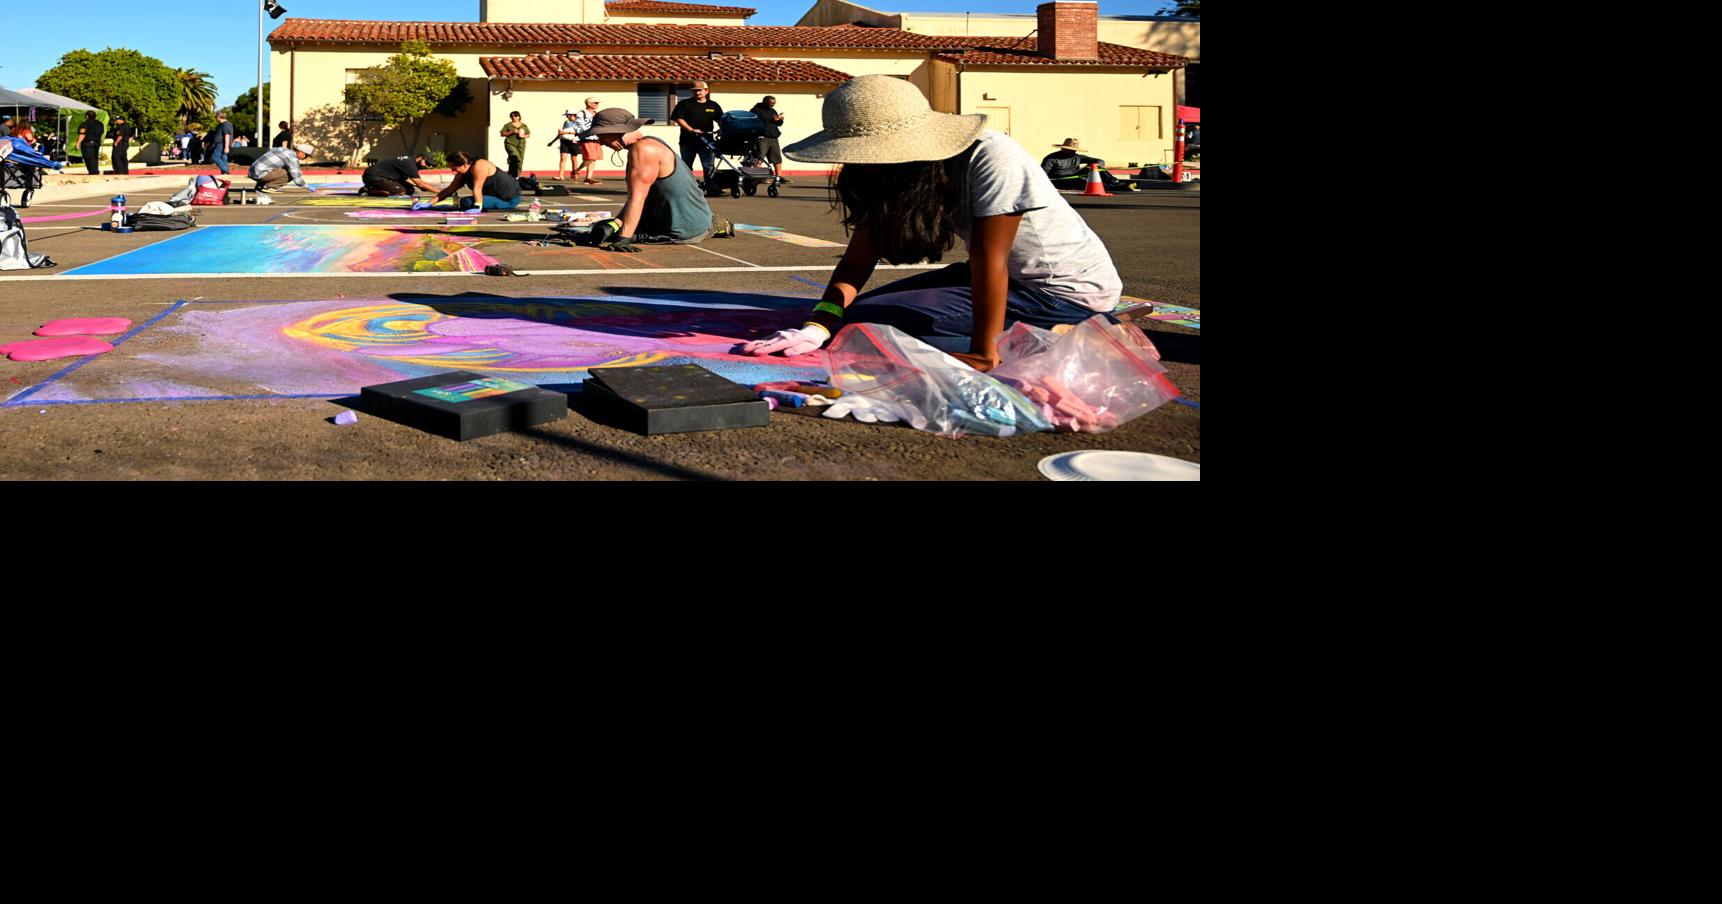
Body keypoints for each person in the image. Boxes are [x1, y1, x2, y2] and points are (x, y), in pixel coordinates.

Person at [742, 75, 1122, 372]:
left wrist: (983, 353)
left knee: (871, 330)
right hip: (1004, 278)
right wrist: (820, 324)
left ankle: (1066, 335)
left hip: (1062, 292)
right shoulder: (890, 173)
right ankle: (1038, 333)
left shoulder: (991, 156)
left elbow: (990, 259)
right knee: (853, 315)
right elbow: (857, 259)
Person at [584, 107, 726, 250]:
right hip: (697, 219)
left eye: (602, 135)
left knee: (595, 233)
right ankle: (714, 224)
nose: (601, 142)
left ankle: (709, 227)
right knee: (604, 228)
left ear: (620, 131)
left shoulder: (643, 150)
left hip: (682, 231)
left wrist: (623, 238)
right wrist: (615, 224)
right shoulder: (652, 142)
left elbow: (637, 199)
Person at [419, 151, 521, 211]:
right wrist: (429, 203)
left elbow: (477, 188)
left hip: (508, 199)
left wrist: (477, 207)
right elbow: (449, 190)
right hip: (494, 196)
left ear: (464, 165)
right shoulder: (462, 172)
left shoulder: (479, 166)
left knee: (467, 202)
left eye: (454, 168)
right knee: (466, 202)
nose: (453, 171)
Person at [670, 80, 722, 189]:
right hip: (688, 141)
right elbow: (678, 118)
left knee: (708, 165)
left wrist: (722, 129)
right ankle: (688, 188)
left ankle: (710, 187)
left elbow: (721, 120)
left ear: (706, 91)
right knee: (686, 166)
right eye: (695, 91)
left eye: (700, 90)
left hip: (707, 142)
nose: (697, 93)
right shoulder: (684, 104)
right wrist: (691, 129)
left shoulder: (713, 105)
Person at [1040, 138, 1136, 192]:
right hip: (1061, 181)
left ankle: (1115, 182)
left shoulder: (1077, 157)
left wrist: (1093, 166)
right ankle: (1116, 187)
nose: (1073, 152)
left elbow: (1099, 161)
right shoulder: (1051, 159)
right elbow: (1041, 174)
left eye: (1074, 150)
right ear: (1063, 148)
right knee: (1082, 181)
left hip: (1076, 176)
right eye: (1070, 150)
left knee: (1096, 166)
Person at [748, 95, 788, 183]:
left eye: (774, 103)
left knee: (777, 158)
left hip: (773, 137)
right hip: (762, 137)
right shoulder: (755, 110)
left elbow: (778, 124)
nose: (772, 105)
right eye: (771, 103)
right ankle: (758, 177)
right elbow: (754, 123)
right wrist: (770, 119)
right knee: (759, 157)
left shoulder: (772, 110)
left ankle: (779, 177)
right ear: (765, 102)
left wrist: (780, 120)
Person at [249, 143, 318, 193]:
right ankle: (271, 186)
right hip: (261, 173)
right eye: (306, 156)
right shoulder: (292, 158)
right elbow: (296, 176)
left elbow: (269, 150)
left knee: (275, 167)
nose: (305, 158)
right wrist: (306, 186)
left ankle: (260, 186)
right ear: (301, 152)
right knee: (291, 173)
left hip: (252, 171)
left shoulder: (283, 149)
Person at [362, 153, 440, 196]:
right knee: (400, 191)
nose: (427, 166)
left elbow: (405, 178)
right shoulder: (410, 164)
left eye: (430, 165)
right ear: (420, 157)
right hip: (373, 176)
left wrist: (418, 186)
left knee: (410, 189)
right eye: (427, 163)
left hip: (383, 176)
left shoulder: (411, 161)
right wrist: (440, 192)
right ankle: (368, 190)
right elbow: (420, 183)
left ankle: (374, 187)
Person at [573, 96, 602, 185]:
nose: (597, 105)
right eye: (596, 103)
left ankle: (588, 178)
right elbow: (579, 126)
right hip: (587, 138)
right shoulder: (581, 113)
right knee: (590, 157)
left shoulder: (596, 114)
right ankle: (577, 170)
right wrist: (587, 133)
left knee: (594, 159)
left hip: (596, 138)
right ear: (589, 103)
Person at [499, 111, 530, 178]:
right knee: (515, 156)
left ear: (519, 116)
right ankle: (513, 174)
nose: (513, 117)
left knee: (520, 160)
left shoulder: (524, 125)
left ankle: (515, 175)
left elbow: (528, 134)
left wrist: (523, 136)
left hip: (521, 145)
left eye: (515, 116)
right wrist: (512, 132)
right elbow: (502, 134)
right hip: (510, 143)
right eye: (512, 116)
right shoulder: (508, 125)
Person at [551, 109, 580, 180]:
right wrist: (552, 141)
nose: (567, 117)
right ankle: (561, 176)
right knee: (563, 158)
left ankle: (574, 175)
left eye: (568, 115)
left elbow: (579, 132)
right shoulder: (566, 122)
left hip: (573, 141)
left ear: (572, 115)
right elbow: (561, 133)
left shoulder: (578, 122)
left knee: (573, 158)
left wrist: (567, 133)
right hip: (564, 141)